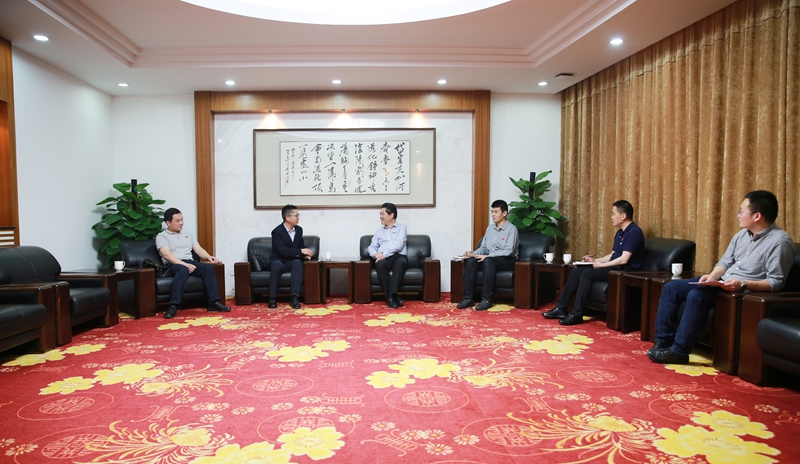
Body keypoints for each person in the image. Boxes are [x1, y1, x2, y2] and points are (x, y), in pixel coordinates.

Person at [648, 190, 795, 364]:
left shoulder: (780, 241)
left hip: (744, 290)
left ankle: (680, 351)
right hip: (722, 283)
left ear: (757, 216)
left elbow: (776, 282)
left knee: (697, 295)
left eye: (741, 211)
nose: (738, 215)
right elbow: (724, 263)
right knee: (671, 288)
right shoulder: (741, 235)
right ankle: (663, 341)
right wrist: (712, 276)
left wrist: (742, 283)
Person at [542, 200, 645, 325]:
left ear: (623, 216)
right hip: (615, 267)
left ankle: (577, 314)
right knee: (576, 271)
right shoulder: (620, 233)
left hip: (625, 270)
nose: (611, 217)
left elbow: (624, 259)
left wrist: (602, 265)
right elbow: (613, 255)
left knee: (586, 274)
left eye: (613, 214)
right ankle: (561, 308)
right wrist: (595, 260)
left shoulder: (634, 232)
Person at [156, 208, 231, 319]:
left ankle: (214, 302)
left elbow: (198, 249)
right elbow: (167, 255)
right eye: (177, 221)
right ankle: (173, 305)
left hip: (189, 262)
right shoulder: (162, 236)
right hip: (173, 264)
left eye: (182, 219)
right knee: (183, 270)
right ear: (168, 223)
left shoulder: (187, 234)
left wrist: (209, 257)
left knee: (208, 268)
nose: (181, 223)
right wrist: (184, 265)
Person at [456, 199, 520, 311]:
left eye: (496, 212)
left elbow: (508, 250)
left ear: (504, 213)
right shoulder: (490, 229)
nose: (493, 215)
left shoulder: (512, 229)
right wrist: (472, 253)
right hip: (490, 259)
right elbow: (484, 248)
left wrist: (489, 256)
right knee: (471, 261)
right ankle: (468, 298)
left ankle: (486, 299)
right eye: (492, 212)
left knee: (488, 261)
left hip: (507, 260)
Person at [268, 204, 314, 309]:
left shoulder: (299, 230)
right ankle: (272, 298)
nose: (298, 218)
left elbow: (300, 245)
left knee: (297, 263)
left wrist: (306, 255)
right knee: (277, 266)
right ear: (287, 218)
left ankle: (294, 298)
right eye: (296, 215)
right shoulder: (277, 232)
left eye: (298, 215)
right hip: (278, 260)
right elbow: (282, 251)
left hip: (291, 260)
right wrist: (301, 251)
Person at [368, 202, 408, 308]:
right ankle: (392, 296)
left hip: (399, 256)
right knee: (380, 264)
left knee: (400, 263)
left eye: (383, 214)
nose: (380, 216)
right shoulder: (379, 232)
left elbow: (398, 245)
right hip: (384, 258)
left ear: (391, 215)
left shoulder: (402, 228)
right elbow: (371, 247)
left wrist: (384, 254)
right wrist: (376, 254)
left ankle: (390, 296)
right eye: (380, 214)